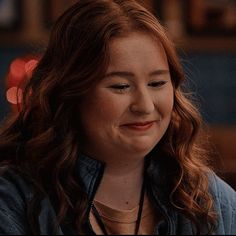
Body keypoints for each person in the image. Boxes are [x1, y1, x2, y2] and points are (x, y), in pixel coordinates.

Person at [0, 0, 235, 235]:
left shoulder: (212, 199)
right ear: (70, 94)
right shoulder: (13, 201)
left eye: (157, 83)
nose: (145, 105)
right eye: (121, 86)